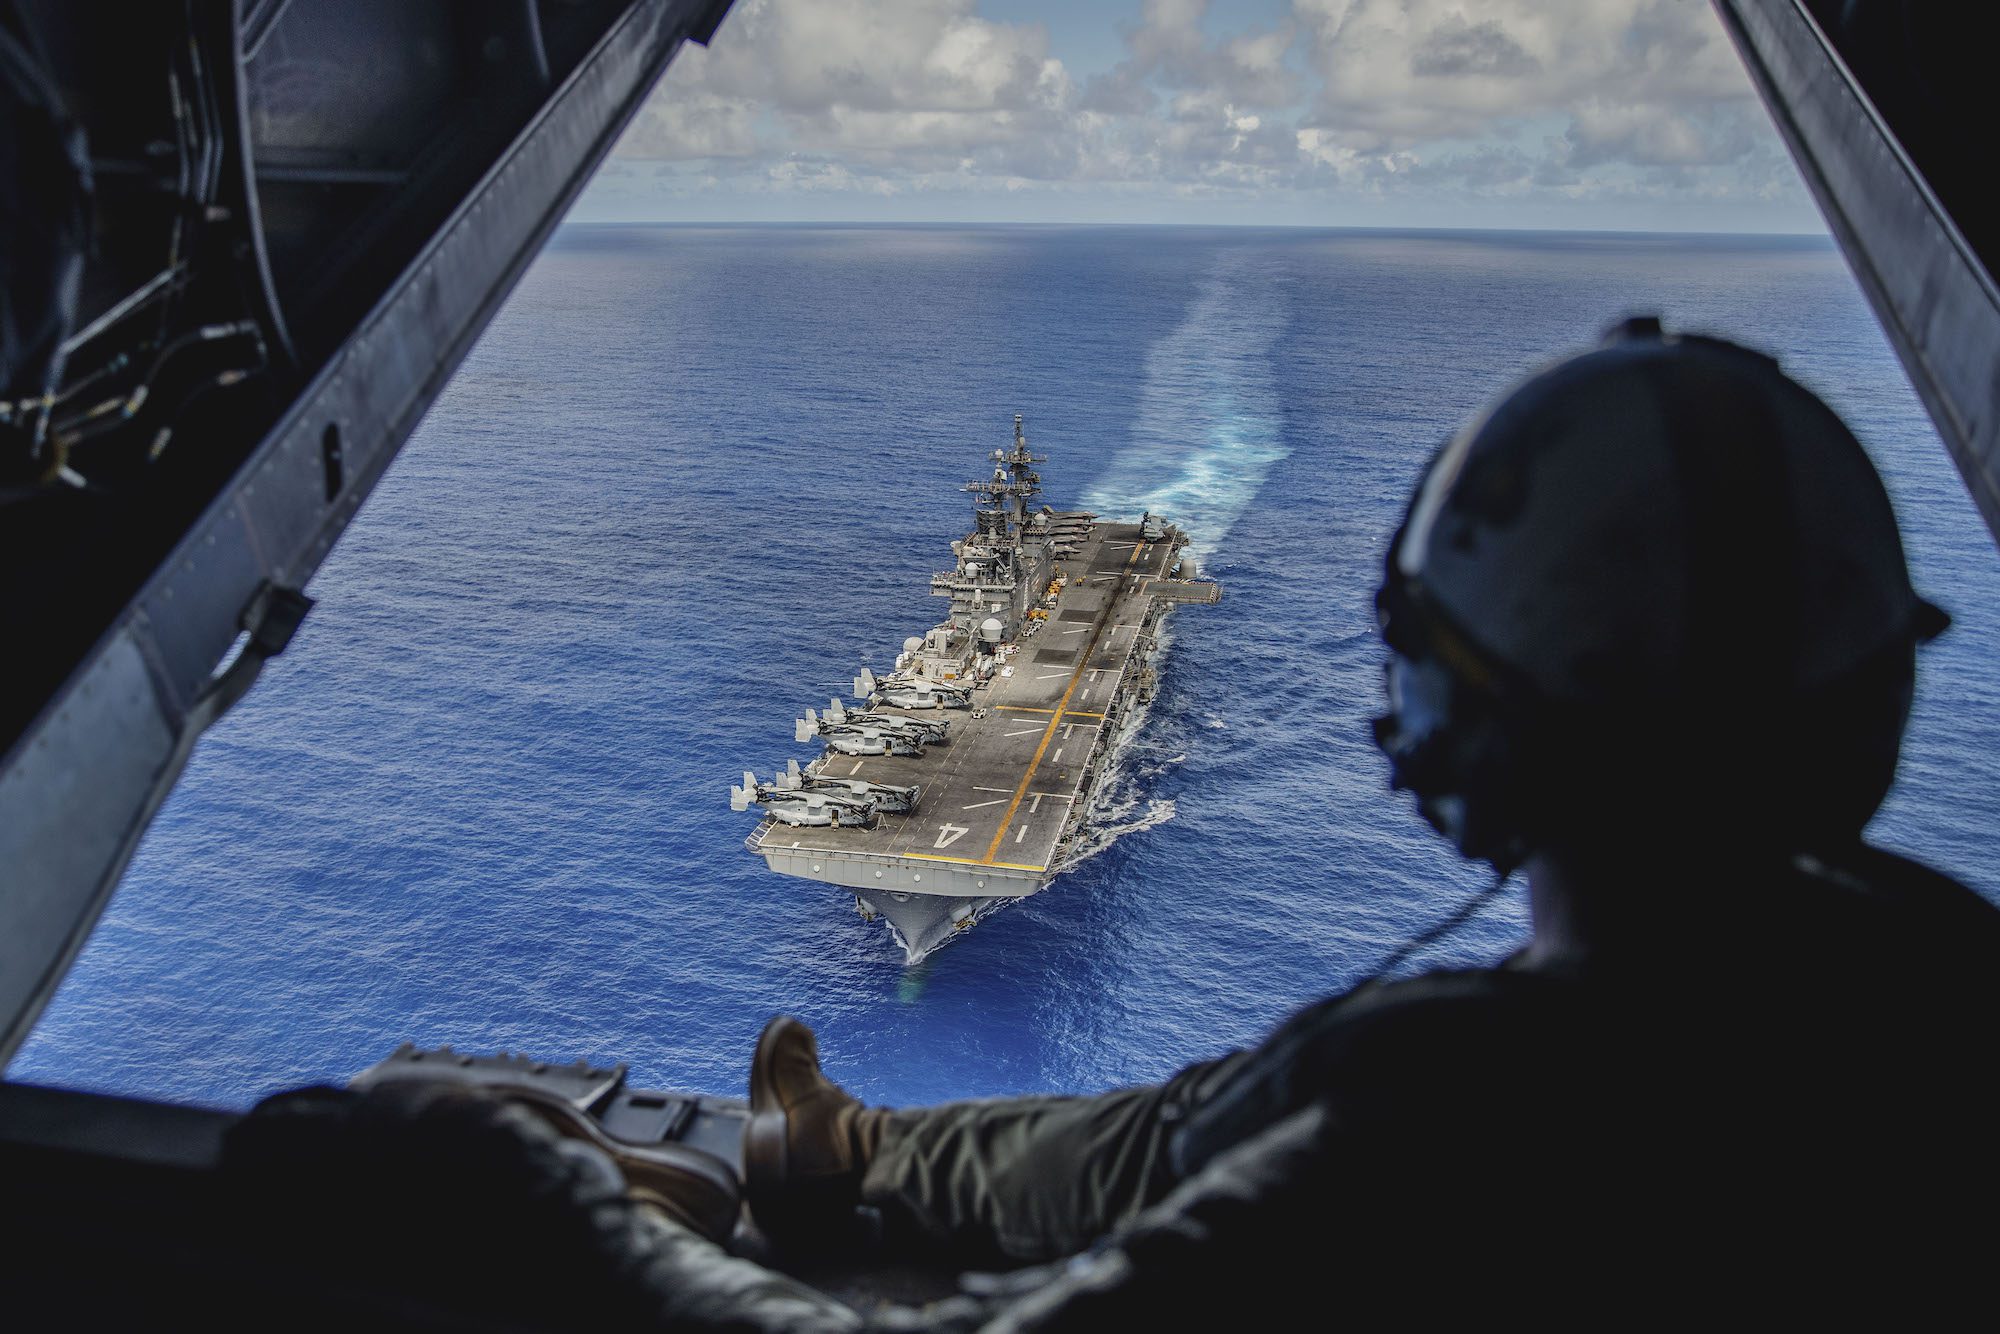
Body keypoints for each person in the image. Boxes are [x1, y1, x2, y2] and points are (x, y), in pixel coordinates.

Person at [236, 320, 2000, 1325]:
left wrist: (556, 1204)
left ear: (1473, 715)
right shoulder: (1938, 986)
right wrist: (870, 1153)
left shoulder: (1460, 1121)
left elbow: (1284, 1144)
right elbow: (1208, 1127)